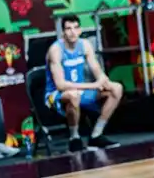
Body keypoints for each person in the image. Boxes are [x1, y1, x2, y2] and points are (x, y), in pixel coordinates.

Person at [44, 16, 122, 152]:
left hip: (80, 90)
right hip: (56, 95)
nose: (72, 32)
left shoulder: (85, 45)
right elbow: (61, 85)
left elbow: (97, 70)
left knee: (116, 88)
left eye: (75, 28)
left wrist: (104, 81)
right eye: (68, 29)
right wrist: (93, 85)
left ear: (80, 30)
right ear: (63, 32)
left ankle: (96, 135)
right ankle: (74, 138)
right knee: (73, 95)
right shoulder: (55, 50)